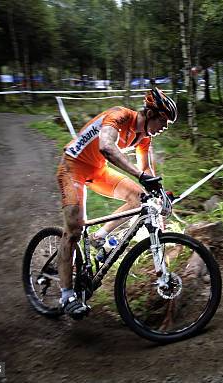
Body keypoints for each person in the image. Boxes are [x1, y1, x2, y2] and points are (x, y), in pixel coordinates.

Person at [56, 87, 178, 318]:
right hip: (72, 167)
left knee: (140, 198)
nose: (165, 126)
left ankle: (99, 238)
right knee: (73, 230)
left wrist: (160, 193)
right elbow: (106, 147)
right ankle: (66, 295)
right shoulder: (119, 115)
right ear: (151, 113)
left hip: (97, 170)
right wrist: (141, 176)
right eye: (164, 120)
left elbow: (146, 170)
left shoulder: (144, 137)